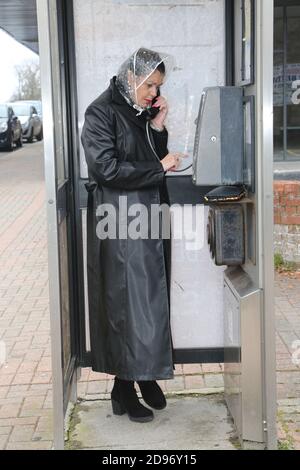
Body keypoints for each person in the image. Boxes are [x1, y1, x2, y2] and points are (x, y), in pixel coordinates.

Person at [81, 47, 186, 423]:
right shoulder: (100, 112)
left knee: (151, 303)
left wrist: (157, 127)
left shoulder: (137, 111)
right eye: (150, 85)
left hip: (147, 221)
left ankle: (145, 376)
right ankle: (125, 385)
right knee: (127, 307)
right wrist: (159, 165)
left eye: (158, 87)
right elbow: (107, 168)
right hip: (121, 225)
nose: (153, 94)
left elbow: (145, 155)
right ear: (132, 77)